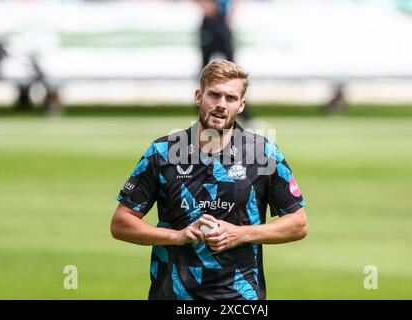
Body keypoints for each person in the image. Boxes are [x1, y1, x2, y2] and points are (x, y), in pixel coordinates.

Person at [111, 59, 308, 300]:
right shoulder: (162, 152)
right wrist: (177, 236)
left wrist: (240, 234)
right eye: (214, 95)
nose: (221, 105)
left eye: (231, 98)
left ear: (242, 105)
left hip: (239, 299)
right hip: (174, 296)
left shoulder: (263, 154)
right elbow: (121, 223)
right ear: (198, 96)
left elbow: (298, 224)